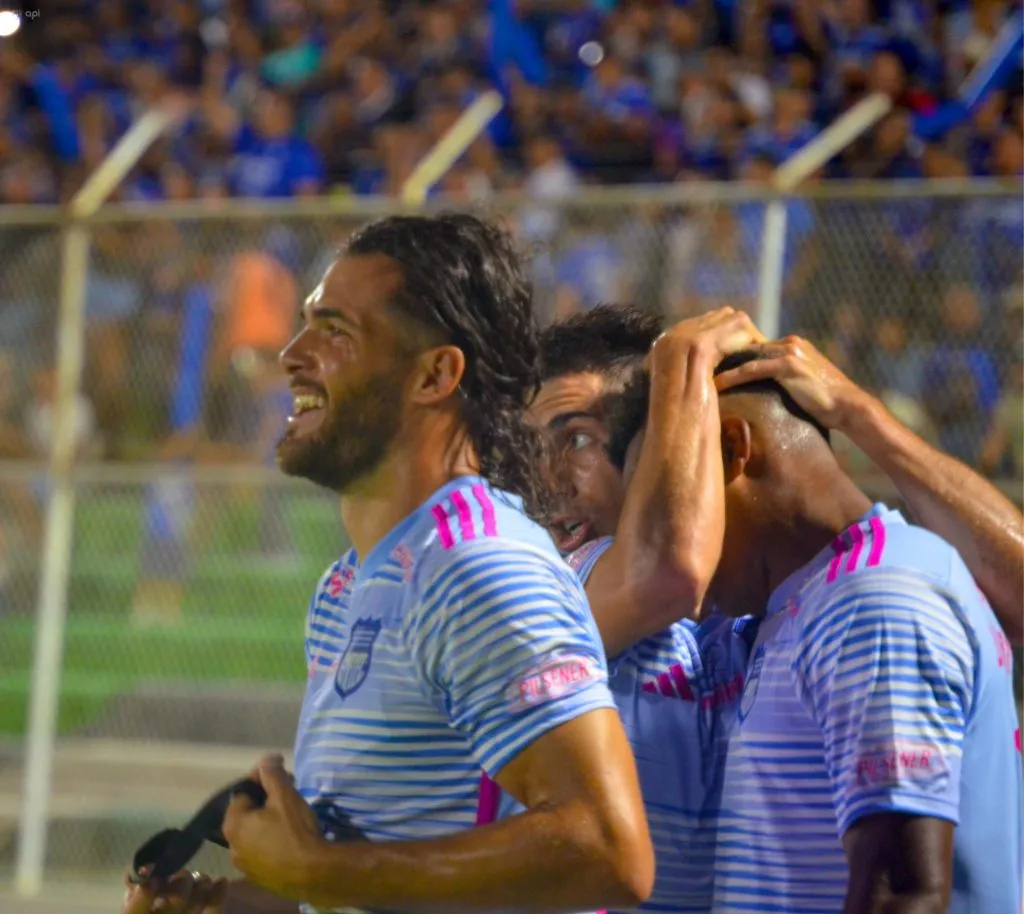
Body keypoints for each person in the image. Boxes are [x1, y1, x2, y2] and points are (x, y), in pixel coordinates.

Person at [124, 214, 654, 914]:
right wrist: (238, 903)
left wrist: (316, 873)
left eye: (335, 331)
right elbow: (380, 869)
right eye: (307, 322)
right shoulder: (349, 583)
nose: (291, 352)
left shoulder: (477, 564)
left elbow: (608, 849)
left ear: (435, 373)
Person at [533, 305, 1024, 912]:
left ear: (729, 449)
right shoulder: (772, 614)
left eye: (577, 438)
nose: (545, 479)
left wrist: (851, 409)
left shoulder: (868, 599)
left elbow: (903, 893)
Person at [533, 305, 762, 912]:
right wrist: (683, 356)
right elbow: (667, 571)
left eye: (577, 439)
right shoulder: (554, 584)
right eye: (530, 450)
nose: (543, 479)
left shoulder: (750, 609)